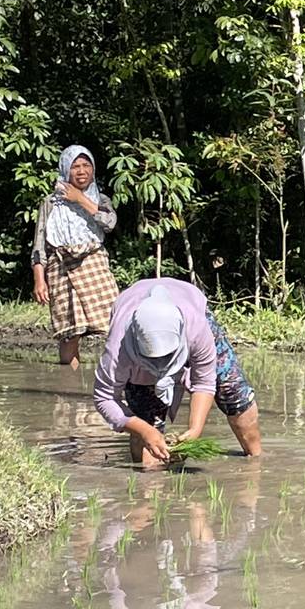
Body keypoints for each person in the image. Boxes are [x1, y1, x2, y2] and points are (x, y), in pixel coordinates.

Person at [93, 278, 263, 465]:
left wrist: (195, 429)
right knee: (145, 417)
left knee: (232, 391)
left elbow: (204, 382)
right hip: (133, 339)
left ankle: (255, 463)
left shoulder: (196, 329)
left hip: (190, 308)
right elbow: (105, 397)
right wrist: (144, 430)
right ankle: (148, 479)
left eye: (166, 357)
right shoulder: (118, 349)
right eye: (153, 359)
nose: (160, 364)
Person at [32, 144, 120, 367]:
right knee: (70, 332)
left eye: (86, 165)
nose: (81, 171)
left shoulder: (101, 200)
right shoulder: (50, 203)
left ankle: (117, 378)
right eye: (75, 166)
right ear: (65, 170)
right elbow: (39, 245)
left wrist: (79, 198)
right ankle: (69, 382)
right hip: (60, 268)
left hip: (93, 264)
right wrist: (39, 280)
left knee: (114, 324)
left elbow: (109, 223)